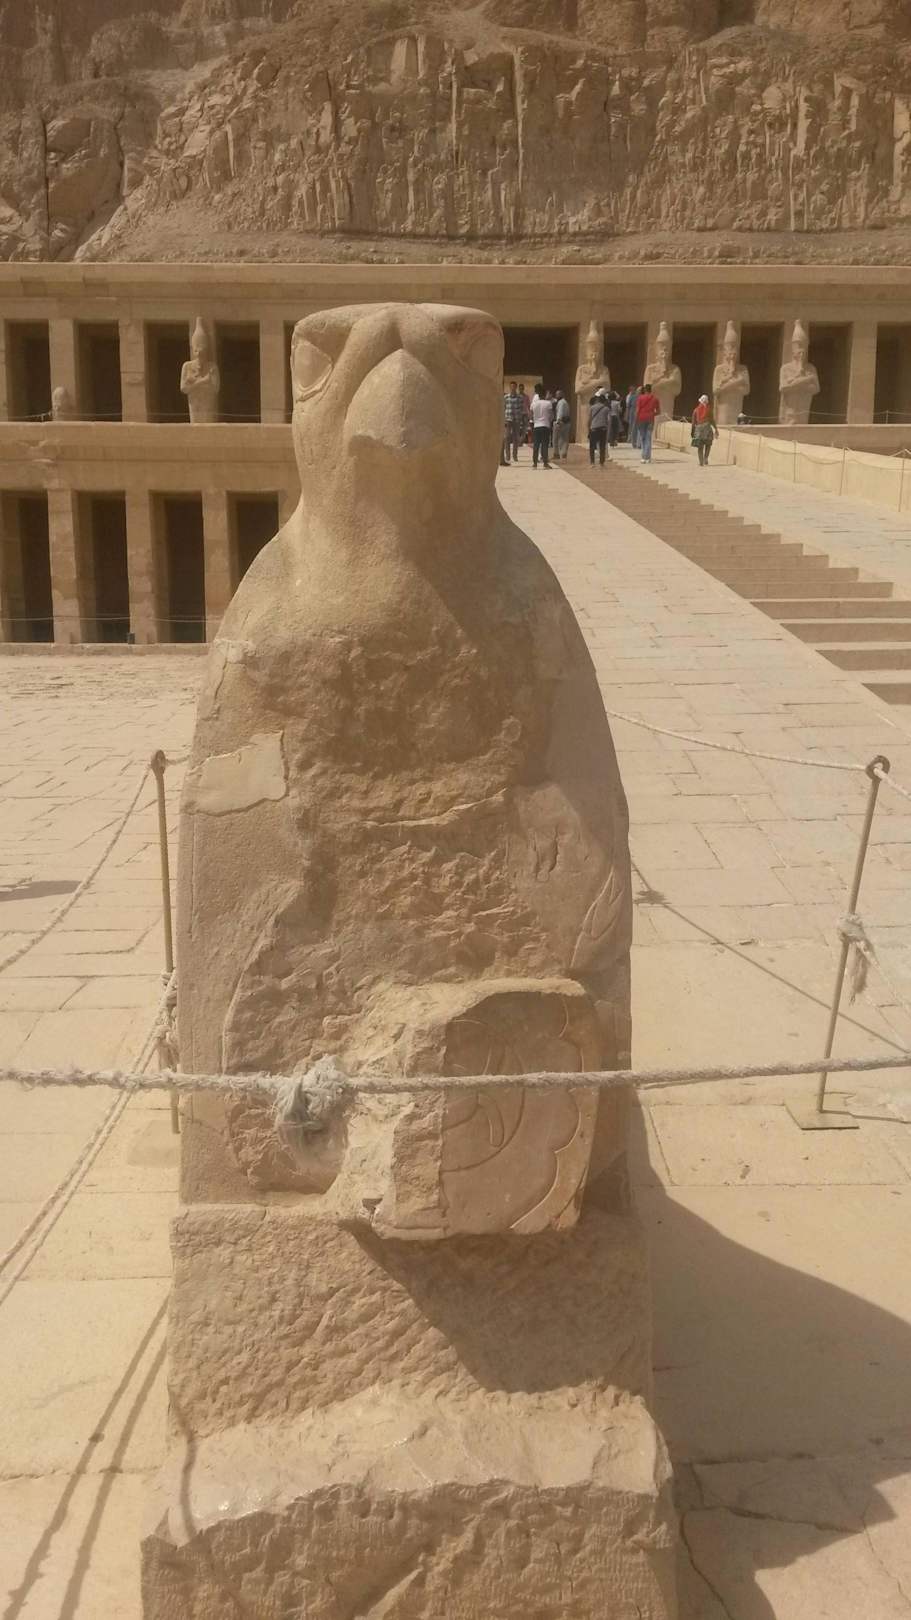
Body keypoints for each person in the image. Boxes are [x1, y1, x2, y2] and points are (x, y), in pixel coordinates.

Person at [635, 383, 661, 463]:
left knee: (643, 438)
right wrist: (652, 414)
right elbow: (659, 411)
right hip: (650, 419)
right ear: (651, 390)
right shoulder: (655, 399)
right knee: (648, 438)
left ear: (645, 390)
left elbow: (637, 409)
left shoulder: (640, 398)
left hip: (641, 418)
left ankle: (643, 457)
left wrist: (636, 419)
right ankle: (648, 457)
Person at [531, 382, 554, 468]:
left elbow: (531, 414)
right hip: (545, 425)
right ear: (544, 395)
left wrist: (535, 420)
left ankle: (535, 463)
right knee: (544, 445)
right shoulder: (548, 403)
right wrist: (549, 420)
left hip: (536, 426)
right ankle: (545, 463)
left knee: (536, 445)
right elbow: (551, 415)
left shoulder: (534, 404)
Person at [691, 394, 719, 466]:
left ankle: (701, 462)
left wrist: (692, 432)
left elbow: (693, 423)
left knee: (700, 447)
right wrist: (716, 429)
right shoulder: (709, 410)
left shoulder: (695, 410)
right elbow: (712, 420)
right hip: (707, 429)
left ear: (700, 401)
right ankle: (705, 458)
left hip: (699, 430)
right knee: (708, 445)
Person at [502, 380, 524, 464]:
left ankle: (515, 455)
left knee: (515, 438)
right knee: (507, 437)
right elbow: (503, 408)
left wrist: (520, 419)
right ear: (510, 387)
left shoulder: (520, 398)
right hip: (508, 419)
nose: (513, 388)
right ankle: (507, 455)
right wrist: (504, 419)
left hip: (516, 420)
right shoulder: (506, 397)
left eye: (514, 387)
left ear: (516, 387)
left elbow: (521, 409)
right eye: (511, 387)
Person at [588, 389, 611, 466]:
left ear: (597, 400)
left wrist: (589, 428)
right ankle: (601, 462)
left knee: (592, 446)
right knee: (602, 446)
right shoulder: (606, 408)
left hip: (594, 428)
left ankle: (592, 462)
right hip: (603, 429)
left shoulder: (592, 407)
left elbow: (589, 419)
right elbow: (609, 420)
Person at [552, 389, 571, 460]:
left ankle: (556, 454)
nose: (556, 396)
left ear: (561, 395)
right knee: (565, 439)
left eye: (557, 394)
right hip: (567, 422)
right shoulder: (565, 402)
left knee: (555, 439)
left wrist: (558, 421)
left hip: (560, 422)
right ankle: (564, 453)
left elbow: (560, 412)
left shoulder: (561, 403)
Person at [625, 384, 640, 449]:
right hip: (633, 413)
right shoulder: (631, 396)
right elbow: (628, 406)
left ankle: (635, 441)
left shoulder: (637, 397)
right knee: (632, 427)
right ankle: (632, 440)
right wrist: (627, 415)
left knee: (636, 427)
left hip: (637, 413)